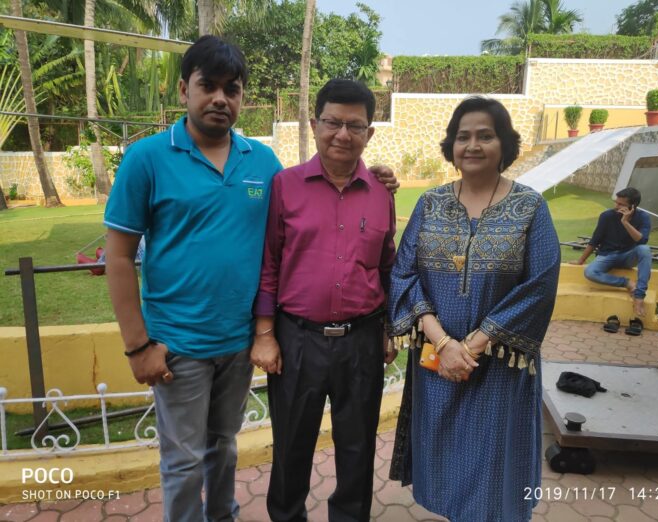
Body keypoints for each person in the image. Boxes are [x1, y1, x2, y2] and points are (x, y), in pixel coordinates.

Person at [104, 37, 397, 522]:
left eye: (232, 89)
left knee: (224, 446)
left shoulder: (262, 164)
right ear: (184, 89)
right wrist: (137, 346)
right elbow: (118, 257)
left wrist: (377, 180)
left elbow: (357, 249)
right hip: (179, 342)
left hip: (239, 343)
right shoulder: (147, 158)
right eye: (208, 86)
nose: (220, 98)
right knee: (184, 461)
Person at [388, 96, 561, 522]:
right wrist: (444, 343)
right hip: (438, 365)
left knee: (492, 470)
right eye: (463, 136)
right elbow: (403, 274)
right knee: (445, 461)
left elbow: (540, 285)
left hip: (498, 369)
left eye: (486, 136)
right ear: (451, 145)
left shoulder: (530, 207)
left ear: (505, 144)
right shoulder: (430, 204)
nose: (473, 145)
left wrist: (474, 345)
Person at [251, 79, 397, 522]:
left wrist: (388, 329)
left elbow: (386, 266)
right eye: (333, 122)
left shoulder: (381, 193)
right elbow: (269, 262)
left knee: (358, 446)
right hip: (298, 340)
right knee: (291, 444)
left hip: (362, 341)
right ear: (315, 125)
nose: (343, 134)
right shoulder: (285, 186)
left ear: (370, 133)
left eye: (355, 126)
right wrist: (265, 334)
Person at [570, 187, 651, 317]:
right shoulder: (607, 216)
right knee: (590, 272)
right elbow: (595, 240)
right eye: (616, 202)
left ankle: (639, 296)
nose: (616, 206)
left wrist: (625, 222)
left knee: (644, 249)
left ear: (632, 206)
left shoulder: (643, 217)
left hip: (628, 256)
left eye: (621, 204)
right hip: (607, 255)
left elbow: (642, 240)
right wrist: (581, 260)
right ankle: (628, 283)